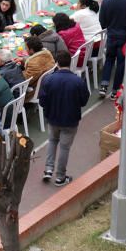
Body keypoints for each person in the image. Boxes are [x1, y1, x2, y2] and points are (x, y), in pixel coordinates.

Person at [38, 50, 88, 186]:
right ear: (70, 63)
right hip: (70, 120)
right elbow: (84, 100)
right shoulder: (78, 81)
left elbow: (42, 101)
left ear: (57, 63)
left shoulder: (48, 79)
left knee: (52, 141)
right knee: (64, 148)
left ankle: (48, 169)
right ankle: (60, 176)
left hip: (53, 118)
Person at [97, 0, 126, 98]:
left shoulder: (106, 2)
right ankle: (115, 90)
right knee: (120, 63)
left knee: (109, 60)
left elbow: (102, 22)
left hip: (111, 37)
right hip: (124, 38)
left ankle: (104, 86)